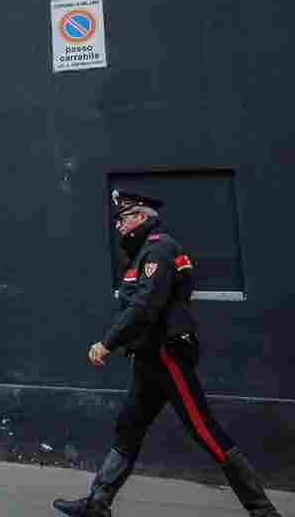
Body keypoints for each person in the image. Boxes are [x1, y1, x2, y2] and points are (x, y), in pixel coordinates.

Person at [53, 190, 282, 517]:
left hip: (168, 354)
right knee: (128, 428)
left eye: (124, 217)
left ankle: (263, 511)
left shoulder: (159, 248)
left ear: (142, 217)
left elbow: (145, 306)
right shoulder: (143, 253)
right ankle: (97, 503)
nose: (119, 224)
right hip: (149, 358)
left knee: (204, 429)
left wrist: (108, 342)